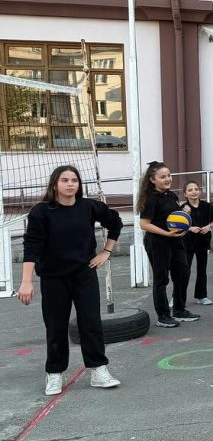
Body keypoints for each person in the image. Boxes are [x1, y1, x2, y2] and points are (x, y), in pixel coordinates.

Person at [17, 165, 124, 395]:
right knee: (55, 325)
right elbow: (31, 247)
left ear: (79, 184)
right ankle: (54, 373)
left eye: (74, 180)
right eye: (64, 180)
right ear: (55, 184)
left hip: (84, 274)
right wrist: (26, 282)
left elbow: (115, 222)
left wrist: (106, 251)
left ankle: (98, 369)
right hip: (53, 278)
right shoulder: (41, 212)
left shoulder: (89, 207)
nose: (70, 184)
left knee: (91, 322)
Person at [139, 161, 199, 328]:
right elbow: (144, 224)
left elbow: (172, 217)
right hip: (157, 243)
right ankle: (163, 316)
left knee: (183, 273)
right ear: (152, 179)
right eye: (162, 177)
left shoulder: (171, 195)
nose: (167, 179)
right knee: (161, 279)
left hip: (175, 241)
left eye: (169, 175)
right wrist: (165, 233)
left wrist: (183, 212)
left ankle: (179, 310)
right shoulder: (151, 199)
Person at [181, 180, 213, 306]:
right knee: (184, 271)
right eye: (190, 190)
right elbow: (178, 225)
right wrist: (190, 228)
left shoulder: (207, 206)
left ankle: (202, 296)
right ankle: (178, 297)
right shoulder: (183, 208)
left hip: (203, 241)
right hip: (187, 242)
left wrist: (208, 227)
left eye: (196, 189)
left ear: (200, 191)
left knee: (202, 269)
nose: (194, 192)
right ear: (185, 194)